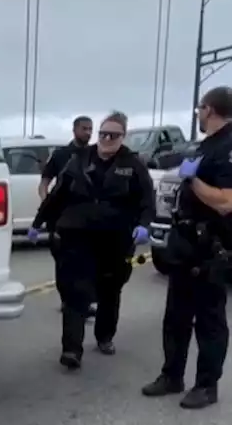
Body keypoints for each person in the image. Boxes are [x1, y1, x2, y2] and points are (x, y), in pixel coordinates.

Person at [142, 87, 232, 410]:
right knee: (176, 316)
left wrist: (192, 181)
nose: (197, 114)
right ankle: (172, 375)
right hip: (186, 242)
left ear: (210, 109)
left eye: (200, 108)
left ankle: (207, 385)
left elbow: (226, 202)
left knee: (209, 319)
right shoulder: (204, 146)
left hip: (212, 245)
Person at [28, 111, 155, 368]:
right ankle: (72, 349)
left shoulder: (133, 165)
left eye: (114, 135)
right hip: (78, 235)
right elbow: (57, 195)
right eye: (103, 134)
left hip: (115, 237)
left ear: (123, 137)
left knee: (110, 290)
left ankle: (104, 336)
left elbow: (147, 201)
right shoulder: (78, 160)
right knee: (76, 291)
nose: (107, 139)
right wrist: (37, 223)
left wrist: (143, 225)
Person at [38, 115, 96, 316]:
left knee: (87, 261)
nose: (88, 133)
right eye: (84, 129)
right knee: (63, 262)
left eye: (90, 129)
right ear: (74, 130)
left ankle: (84, 302)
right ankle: (67, 300)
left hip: (86, 219)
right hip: (60, 218)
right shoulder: (61, 154)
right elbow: (45, 182)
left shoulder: (95, 154)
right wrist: (47, 204)